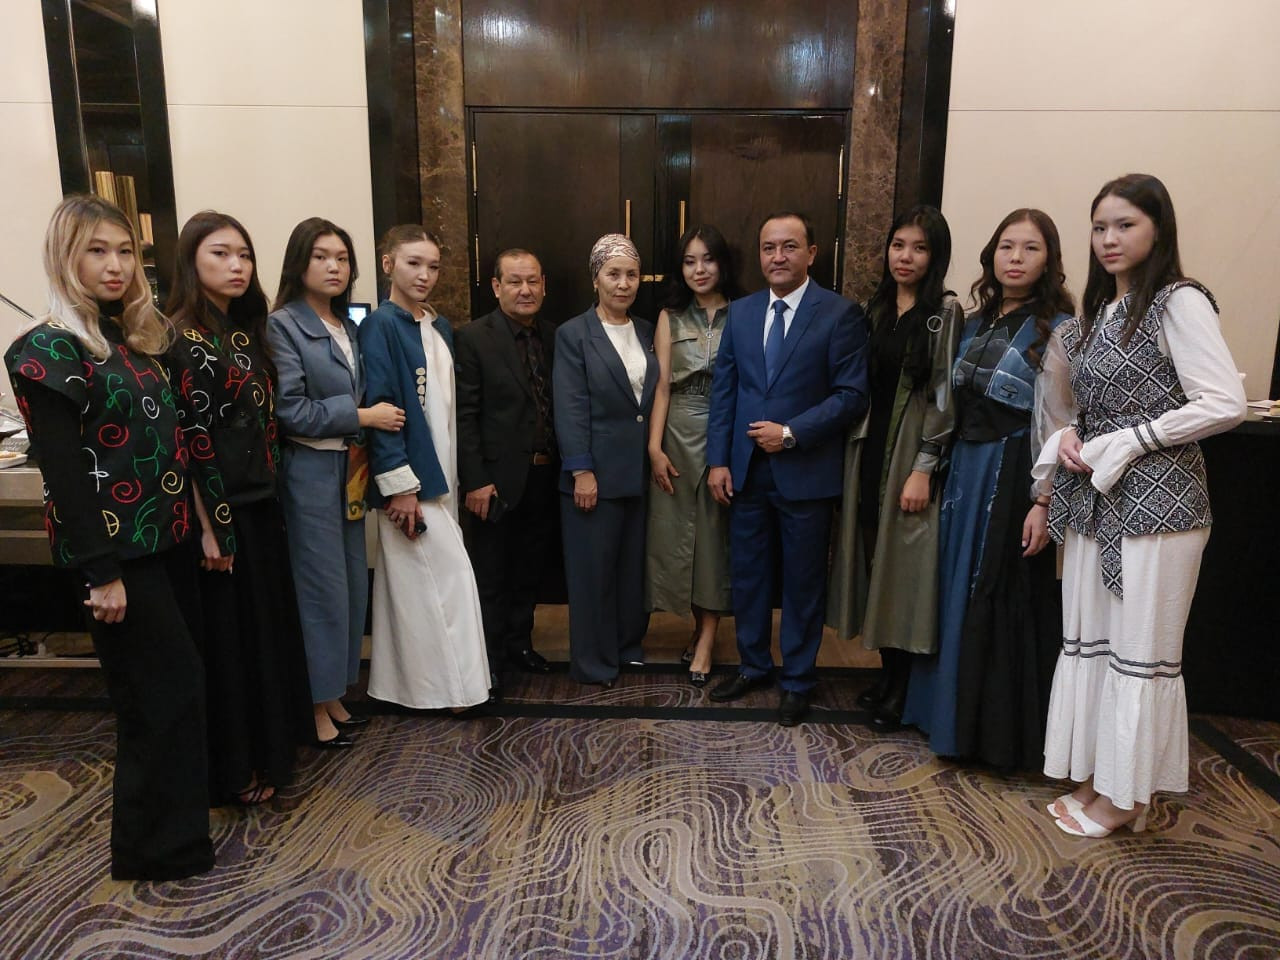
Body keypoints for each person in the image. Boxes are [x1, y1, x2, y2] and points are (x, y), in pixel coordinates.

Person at [6, 195, 224, 879]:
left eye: (126, 251)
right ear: (65, 255)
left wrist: (205, 527)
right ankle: (151, 850)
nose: (116, 265)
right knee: (160, 697)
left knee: (177, 694)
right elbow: (65, 475)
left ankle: (175, 841)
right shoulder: (48, 347)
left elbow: (173, 441)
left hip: (166, 540)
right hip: (117, 555)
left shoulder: (134, 338)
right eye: (97, 251)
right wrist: (100, 573)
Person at [1039, 174, 1246, 836]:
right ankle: (1106, 778)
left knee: (1139, 650)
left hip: (1162, 506)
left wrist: (1133, 439)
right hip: (1098, 502)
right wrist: (1072, 436)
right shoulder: (1104, 312)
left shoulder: (1178, 300)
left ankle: (1126, 798)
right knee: (1099, 646)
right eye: (1100, 226)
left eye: (1125, 224)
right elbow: (1085, 404)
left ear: (1158, 229)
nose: (1109, 238)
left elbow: (1224, 402)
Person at [902, 208, 1074, 767]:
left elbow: (1060, 423)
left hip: (1012, 473)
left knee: (996, 590)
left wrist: (1044, 501)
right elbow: (945, 406)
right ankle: (942, 718)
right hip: (963, 471)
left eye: (1030, 248)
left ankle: (990, 736)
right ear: (991, 255)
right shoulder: (973, 322)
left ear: (1048, 260)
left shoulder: (1059, 330)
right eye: (1006, 246)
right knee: (950, 588)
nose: (1015, 258)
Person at [165, 210, 311, 804]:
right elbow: (190, 443)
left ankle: (269, 754)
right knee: (229, 646)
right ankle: (234, 769)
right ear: (191, 261)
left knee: (262, 637)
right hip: (218, 515)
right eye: (221, 254)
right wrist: (210, 529)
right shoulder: (179, 338)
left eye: (244, 255)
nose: (236, 266)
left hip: (259, 504)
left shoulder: (242, 332)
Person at [706, 211, 869, 726]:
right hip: (746, 471)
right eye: (769, 247)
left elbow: (851, 395)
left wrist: (792, 432)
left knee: (802, 583)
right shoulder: (741, 313)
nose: (778, 257)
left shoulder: (839, 314)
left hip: (806, 471)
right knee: (748, 576)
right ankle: (754, 665)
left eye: (789, 246)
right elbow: (725, 392)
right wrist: (718, 460)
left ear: (811, 253)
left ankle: (798, 680)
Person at [267, 217, 405, 747]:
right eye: (322, 257)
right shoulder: (283, 326)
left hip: (349, 470)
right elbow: (290, 411)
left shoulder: (347, 325)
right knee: (319, 591)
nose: (334, 267)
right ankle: (313, 705)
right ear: (299, 263)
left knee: (350, 585)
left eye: (342, 258)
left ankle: (334, 694)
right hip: (308, 472)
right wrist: (363, 416)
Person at [826, 205, 962, 727]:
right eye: (898, 245)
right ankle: (886, 677)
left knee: (905, 568)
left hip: (908, 450)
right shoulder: (874, 308)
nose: (905, 257)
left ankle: (905, 690)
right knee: (872, 559)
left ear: (936, 256)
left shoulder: (944, 312)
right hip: (867, 446)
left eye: (919, 248)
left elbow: (945, 397)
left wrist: (924, 466)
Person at [358, 225, 490, 711]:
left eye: (433, 266)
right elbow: (382, 406)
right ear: (388, 263)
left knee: (420, 586)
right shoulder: (380, 325)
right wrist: (400, 486)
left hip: (443, 468)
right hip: (411, 478)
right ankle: (456, 690)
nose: (425, 275)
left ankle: (418, 688)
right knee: (445, 578)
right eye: (413, 263)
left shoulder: (437, 326)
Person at [554, 234, 659, 687]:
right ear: (595, 278)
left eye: (631, 274)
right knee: (592, 574)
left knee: (631, 571)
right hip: (593, 475)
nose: (623, 283)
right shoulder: (573, 334)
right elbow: (570, 405)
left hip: (638, 473)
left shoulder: (648, 330)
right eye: (613, 274)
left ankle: (626, 647)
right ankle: (593, 662)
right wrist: (582, 469)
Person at [456, 249, 559, 693]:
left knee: (530, 569)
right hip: (495, 481)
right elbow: (464, 415)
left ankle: (520, 644)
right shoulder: (473, 338)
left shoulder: (554, 336)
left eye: (533, 281)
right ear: (497, 287)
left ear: (544, 285)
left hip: (544, 475)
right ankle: (490, 660)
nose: (525, 290)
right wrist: (476, 480)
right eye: (515, 281)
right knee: (492, 574)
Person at [646, 225, 740, 686]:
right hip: (677, 432)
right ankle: (695, 629)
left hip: (726, 431)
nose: (698, 270)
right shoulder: (670, 316)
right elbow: (662, 387)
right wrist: (654, 447)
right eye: (689, 261)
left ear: (723, 263)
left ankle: (707, 639)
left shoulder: (744, 313)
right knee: (681, 539)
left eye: (707, 259)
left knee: (715, 538)